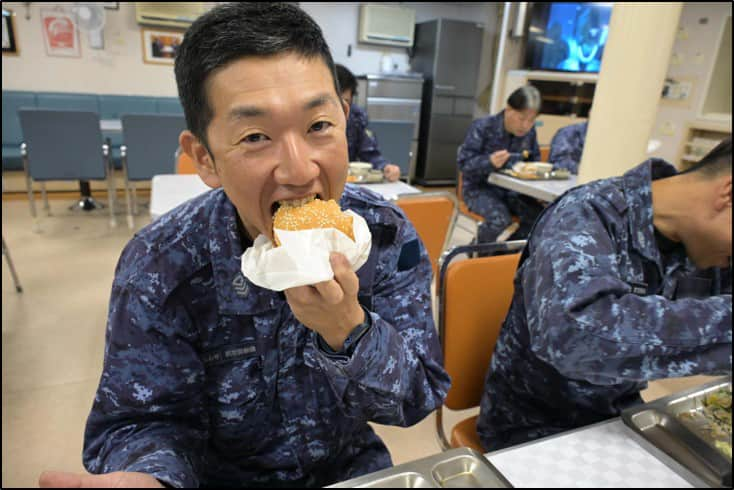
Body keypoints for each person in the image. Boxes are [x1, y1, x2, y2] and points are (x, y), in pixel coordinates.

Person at [39, 3, 450, 488]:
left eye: (318, 126)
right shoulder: (161, 262)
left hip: (348, 472)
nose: (299, 171)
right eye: (256, 136)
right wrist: (151, 478)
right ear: (204, 159)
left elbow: (416, 399)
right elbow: (142, 420)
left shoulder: (384, 234)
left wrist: (349, 331)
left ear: (345, 119)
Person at [477, 139, 733, 452]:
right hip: (534, 428)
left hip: (620, 418)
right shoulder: (586, 214)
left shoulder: (706, 246)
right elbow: (575, 339)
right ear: (728, 193)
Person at [457, 85, 545, 242]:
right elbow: (464, 164)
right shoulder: (483, 127)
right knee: (500, 219)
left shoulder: (529, 133)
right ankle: (478, 253)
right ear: (509, 109)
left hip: (514, 191)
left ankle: (502, 257)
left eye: (531, 121)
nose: (526, 125)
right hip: (479, 189)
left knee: (540, 219)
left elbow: (534, 161)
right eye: (522, 118)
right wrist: (489, 162)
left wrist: (532, 170)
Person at [335, 64, 402, 182]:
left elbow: (370, 153)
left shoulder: (357, 117)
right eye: (336, 102)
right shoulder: (310, 118)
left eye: (346, 102)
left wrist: (386, 167)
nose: (342, 109)